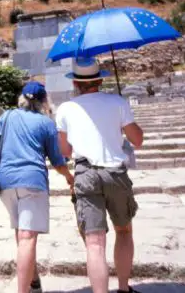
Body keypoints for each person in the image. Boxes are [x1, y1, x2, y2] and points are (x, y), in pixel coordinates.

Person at [56, 57, 145, 293]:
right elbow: (137, 140)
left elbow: (64, 151)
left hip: (85, 173)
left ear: (75, 83)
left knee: (94, 243)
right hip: (115, 173)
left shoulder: (65, 109)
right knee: (124, 231)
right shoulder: (117, 102)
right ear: (101, 79)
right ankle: (124, 289)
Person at [0, 81, 74, 293]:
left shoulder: (6, 117)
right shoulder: (46, 123)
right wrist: (70, 178)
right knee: (27, 237)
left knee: (21, 231)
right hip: (32, 181)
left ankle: (33, 282)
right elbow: (58, 161)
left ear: (21, 98)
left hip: (5, 183)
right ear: (44, 102)